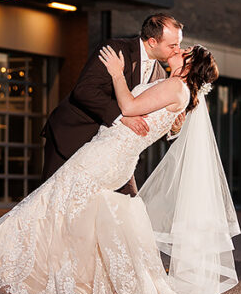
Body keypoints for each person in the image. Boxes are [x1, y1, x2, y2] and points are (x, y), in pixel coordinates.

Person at [0, 44, 238, 294]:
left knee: (46, 202)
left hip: (107, 155)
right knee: (78, 220)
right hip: (113, 156)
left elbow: (130, 107)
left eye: (183, 49)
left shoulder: (175, 86)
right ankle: (79, 288)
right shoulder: (178, 90)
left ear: (188, 62)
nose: (178, 48)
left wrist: (118, 75)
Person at [41, 13, 184, 196]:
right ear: (152, 42)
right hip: (73, 136)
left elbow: (151, 123)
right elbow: (84, 91)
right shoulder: (115, 49)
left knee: (127, 205)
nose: (177, 50)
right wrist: (122, 116)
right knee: (51, 202)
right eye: (172, 45)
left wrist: (173, 129)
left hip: (113, 153)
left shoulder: (160, 75)